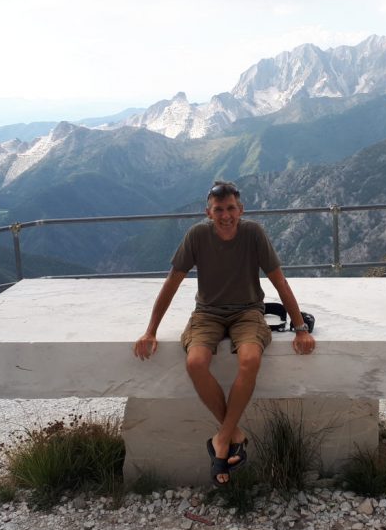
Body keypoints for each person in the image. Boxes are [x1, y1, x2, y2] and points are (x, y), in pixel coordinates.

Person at [133, 181, 316, 485]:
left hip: (248, 311)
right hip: (208, 312)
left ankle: (222, 439)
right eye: (219, 210)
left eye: (231, 208)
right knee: (195, 363)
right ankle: (234, 434)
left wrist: (300, 328)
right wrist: (150, 331)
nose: (226, 215)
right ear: (209, 212)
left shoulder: (253, 233)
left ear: (240, 210)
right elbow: (172, 282)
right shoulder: (197, 235)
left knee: (250, 359)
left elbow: (279, 281)